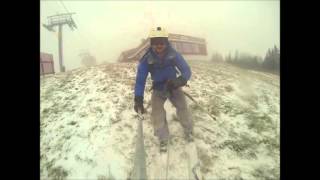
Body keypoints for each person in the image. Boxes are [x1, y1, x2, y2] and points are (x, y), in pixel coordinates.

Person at [134, 27, 193, 152]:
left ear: (166, 42)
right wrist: (138, 98)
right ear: (151, 43)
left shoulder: (173, 54)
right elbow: (140, 80)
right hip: (158, 89)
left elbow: (186, 70)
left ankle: (189, 131)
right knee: (157, 114)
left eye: (162, 42)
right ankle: (163, 138)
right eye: (156, 43)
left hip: (174, 86)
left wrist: (180, 81)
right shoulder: (146, 59)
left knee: (183, 108)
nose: (159, 46)